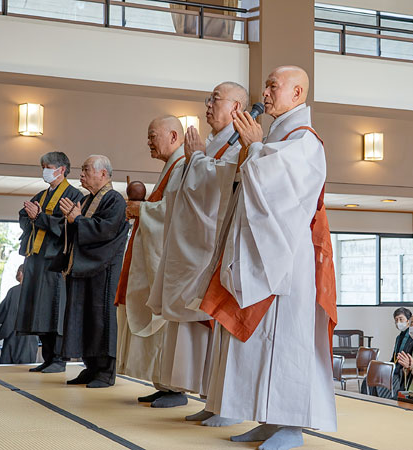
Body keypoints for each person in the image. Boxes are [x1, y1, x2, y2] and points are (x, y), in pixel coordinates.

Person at [197, 66, 338, 449]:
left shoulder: (305, 140)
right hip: (265, 254)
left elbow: (283, 195)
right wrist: (253, 149)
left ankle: (291, 425)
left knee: (286, 343)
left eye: (274, 86)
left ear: (297, 93)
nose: (266, 92)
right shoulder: (277, 136)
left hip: (288, 262)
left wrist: (256, 149)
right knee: (260, 344)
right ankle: (268, 418)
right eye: (267, 86)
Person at [145, 83, 248, 416]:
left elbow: (218, 192)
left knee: (205, 324)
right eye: (208, 99)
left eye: (215, 99)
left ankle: (216, 401)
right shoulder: (212, 144)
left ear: (237, 107)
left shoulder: (238, 145)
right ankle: (206, 397)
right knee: (182, 322)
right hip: (187, 246)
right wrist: (199, 157)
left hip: (208, 249)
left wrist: (198, 158)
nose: (208, 106)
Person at [114, 117, 186, 398]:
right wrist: (143, 210)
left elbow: (176, 211)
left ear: (173, 136)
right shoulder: (172, 167)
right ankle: (162, 384)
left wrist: (142, 210)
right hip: (154, 257)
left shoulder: (183, 165)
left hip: (170, 264)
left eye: (152, 136)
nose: (148, 142)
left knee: (165, 323)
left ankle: (173, 387)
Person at [51, 155, 129, 388]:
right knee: (83, 318)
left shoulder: (114, 200)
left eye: (86, 170)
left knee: (101, 318)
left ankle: (105, 372)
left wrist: (77, 220)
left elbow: (105, 231)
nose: (81, 174)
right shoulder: (86, 200)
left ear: (103, 174)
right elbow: (75, 228)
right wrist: (71, 221)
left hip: (104, 270)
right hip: (85, 268)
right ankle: (91, 367)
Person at [16, 151, 83, 374]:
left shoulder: (73, 196)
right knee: (40, 310)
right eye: (43, 167)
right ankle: (47, 358)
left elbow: (69, 226)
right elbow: (24, 216)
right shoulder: (41, 195)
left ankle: (59, 359)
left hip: (56, 262)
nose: (44, 171)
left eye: (48, 167)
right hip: (37, 260)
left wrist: (39, 217)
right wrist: (31, 216)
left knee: (56, 309)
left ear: (61, 169)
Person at [361, 307, 413, 398]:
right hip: (394, 368)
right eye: (396, 320)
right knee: (368, 379)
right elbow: (394, 358)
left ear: (408, 321)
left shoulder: (412, 338)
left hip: (402, 372)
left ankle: (381, 401)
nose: (398, 322)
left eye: (401, 319)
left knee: (381, 383)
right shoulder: (399, 338)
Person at [0, 265, 39, 364]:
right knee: (26, 366)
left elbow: (2, 312)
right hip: (31, 335)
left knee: (8, 367)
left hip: (13, 333)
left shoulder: (14, 291)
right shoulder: (37, 292)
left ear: (21, 273)